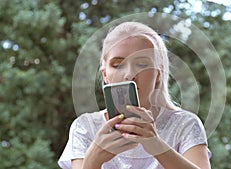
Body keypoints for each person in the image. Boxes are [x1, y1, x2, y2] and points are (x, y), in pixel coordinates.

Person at [58, 21, 211, 169]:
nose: (129, 74)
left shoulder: (185, 124)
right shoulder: (85, 127)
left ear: (158, 74)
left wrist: (157, 145)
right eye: (118, 65)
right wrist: (93, 159)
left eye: (142, 64)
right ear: (105, 75)